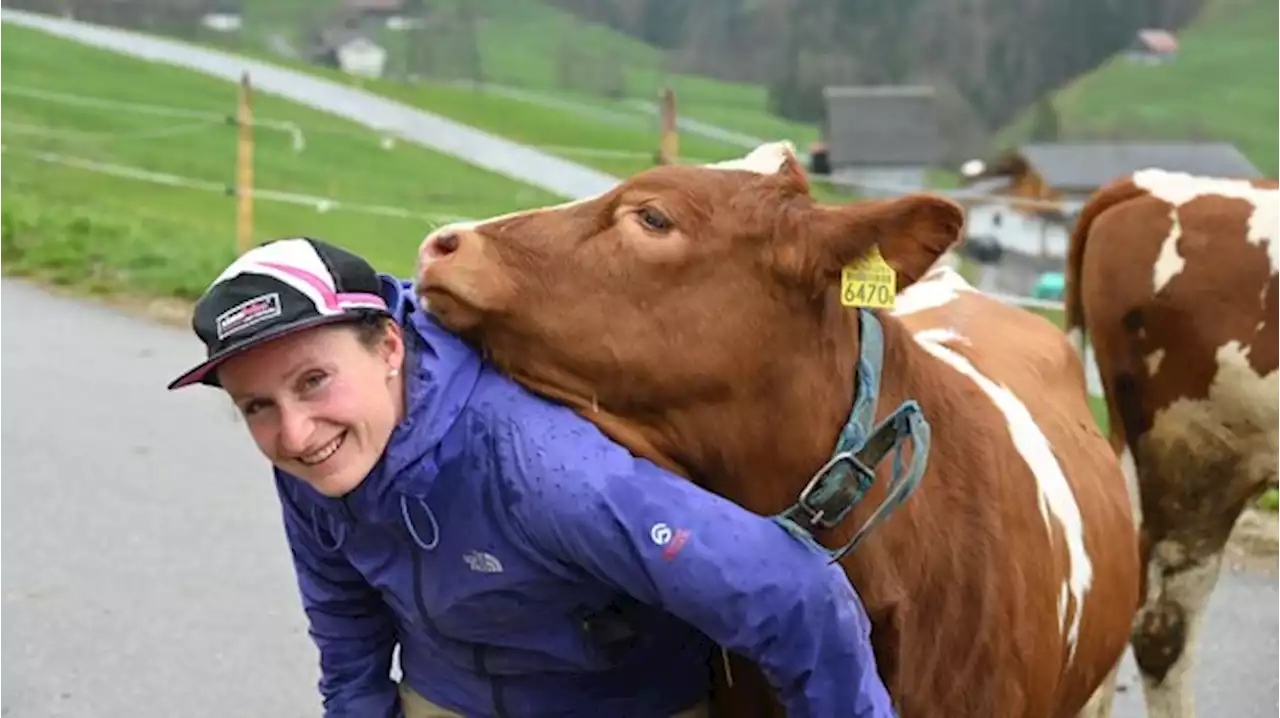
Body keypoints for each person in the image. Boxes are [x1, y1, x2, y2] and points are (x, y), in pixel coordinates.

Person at [167, 236, 896, 718]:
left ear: (389, 345)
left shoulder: (545, 472)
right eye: (256, 406)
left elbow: (793, 593)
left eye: (315, 381)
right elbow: (343, 614)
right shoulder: (319, 456)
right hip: (446, 696)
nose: (293, 433)